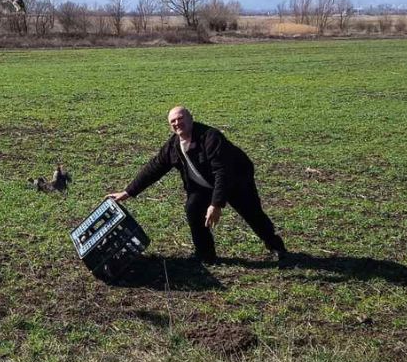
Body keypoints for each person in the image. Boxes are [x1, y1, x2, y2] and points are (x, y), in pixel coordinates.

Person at [109, 106, 287, 264]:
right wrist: (128, 192)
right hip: (203, 185)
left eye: (181, 118)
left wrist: (216, 204)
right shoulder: (173, 145)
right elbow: (154, 168)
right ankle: (205, 254)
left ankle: (276, 246)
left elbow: (223, 172)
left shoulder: (210, 137)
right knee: (193, 208)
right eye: (173, 121)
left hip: (235, 180)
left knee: (252, 213)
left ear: (190, 119)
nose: (177, 123)